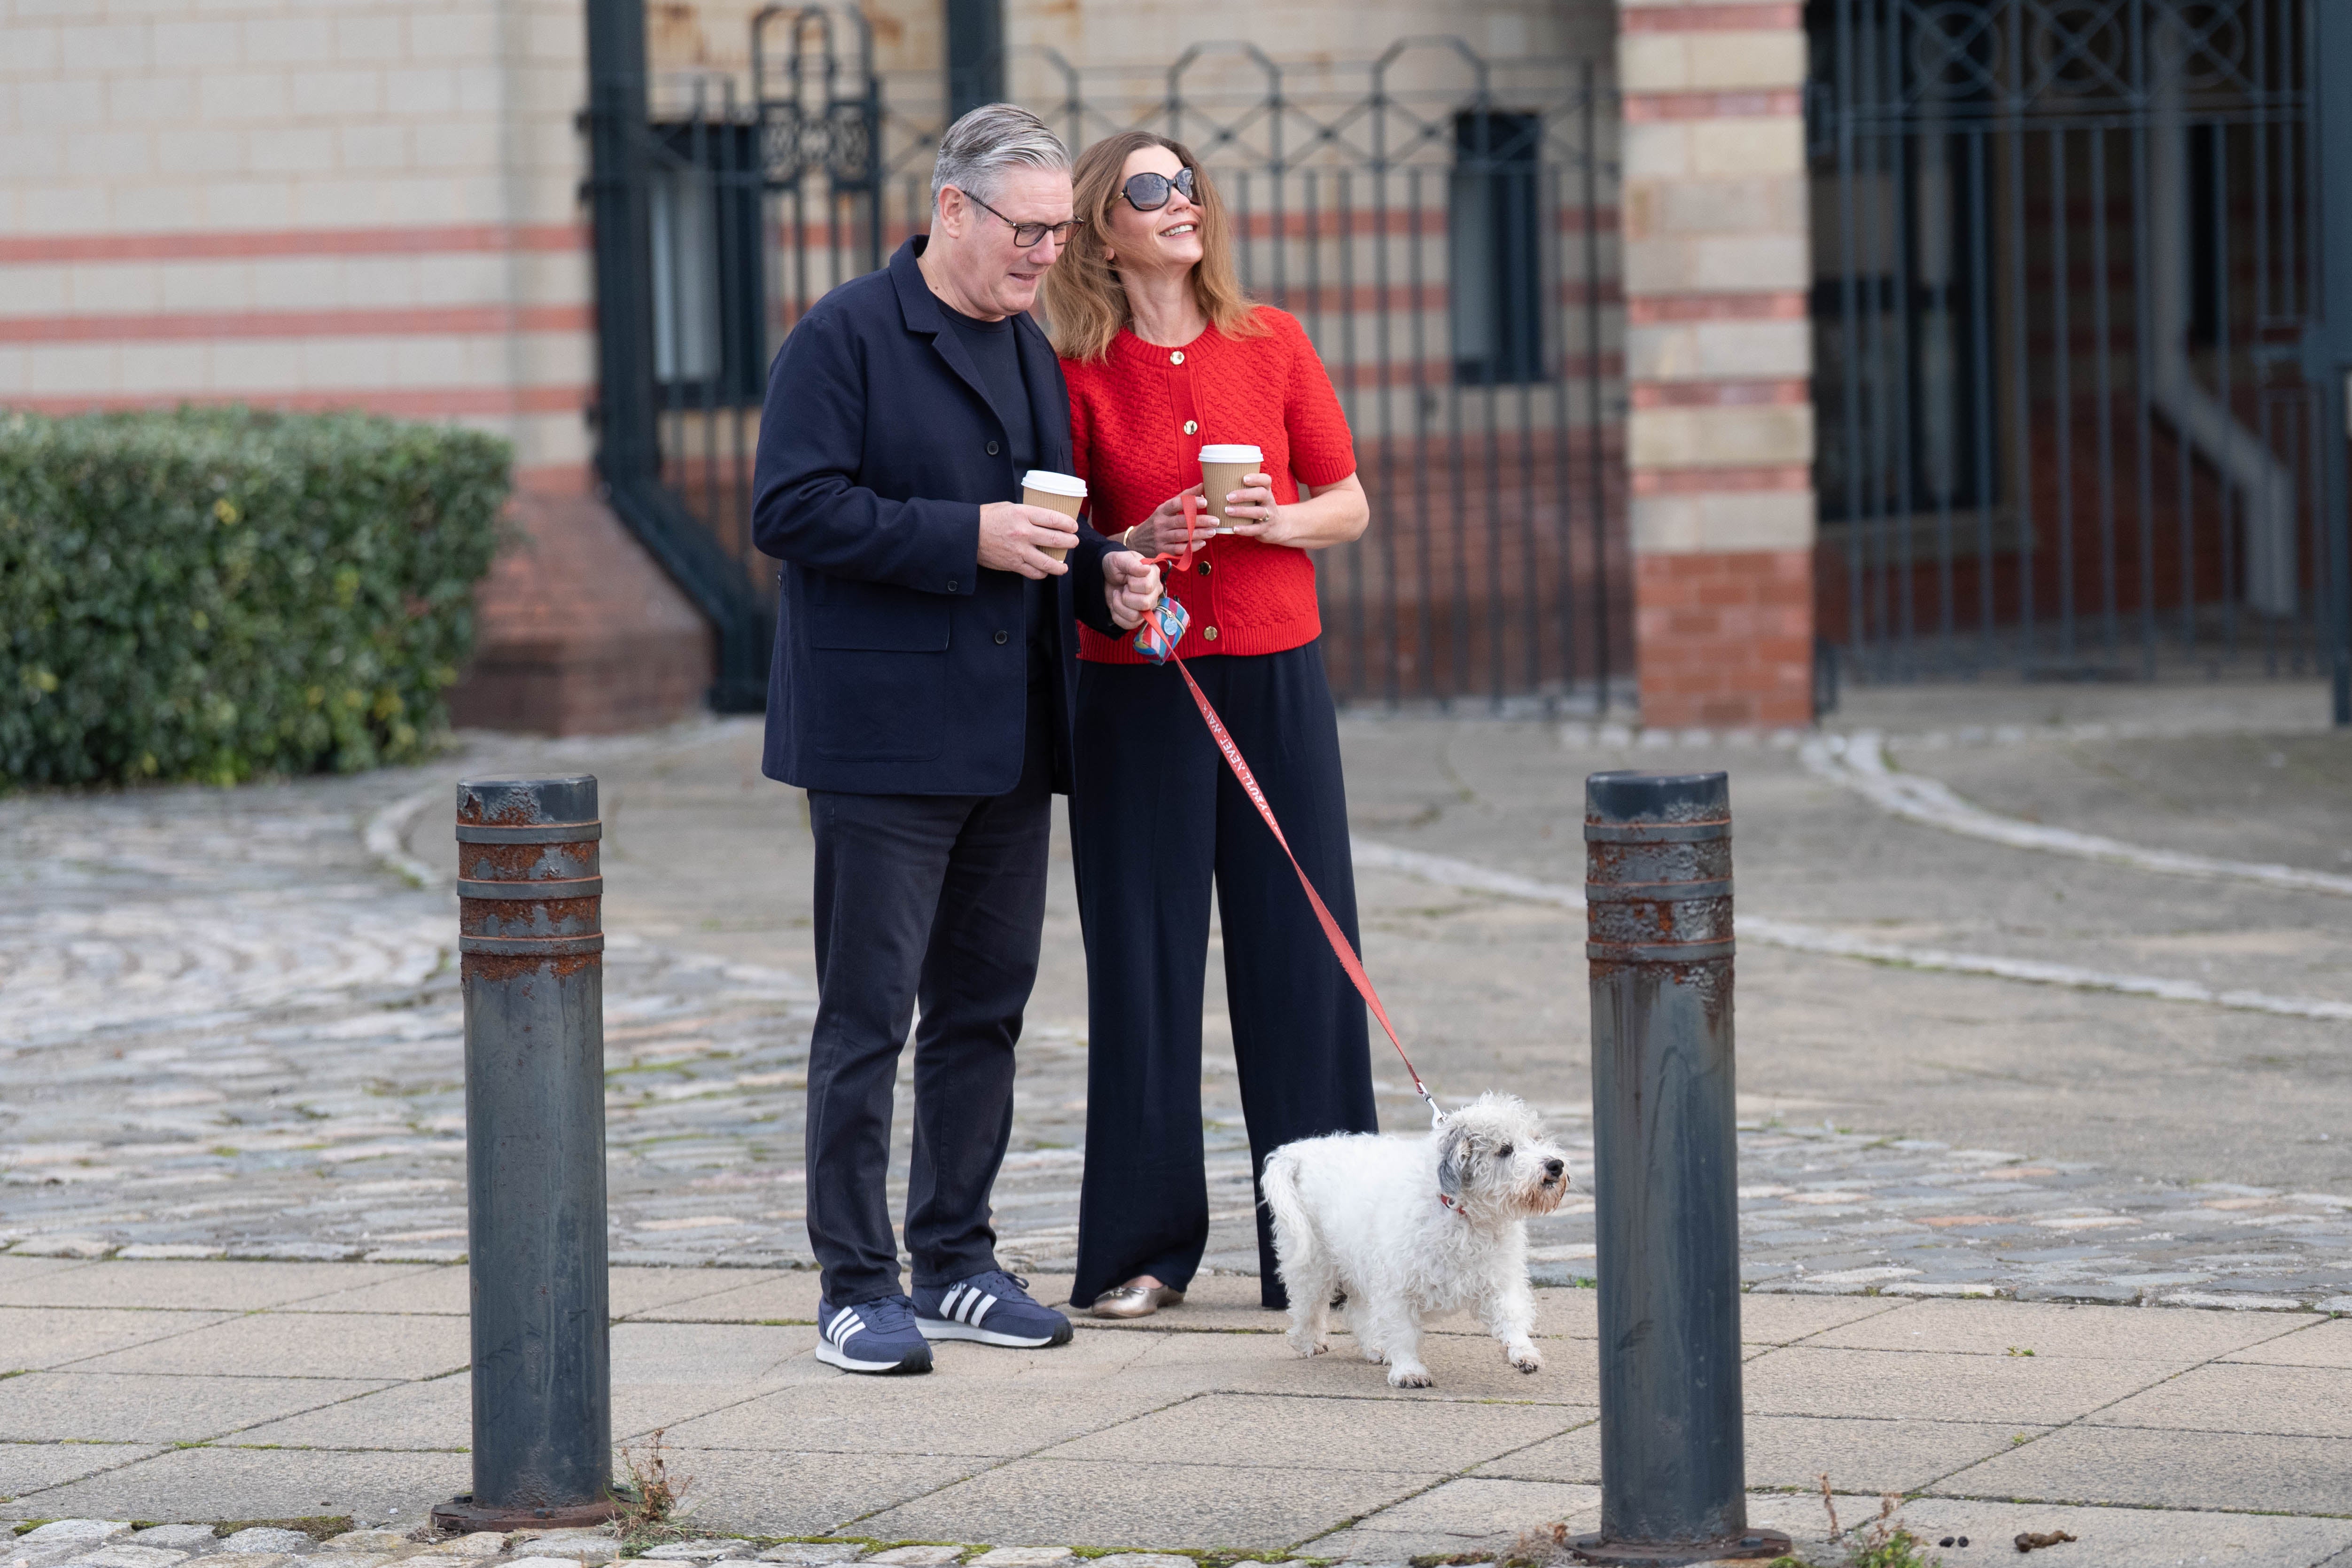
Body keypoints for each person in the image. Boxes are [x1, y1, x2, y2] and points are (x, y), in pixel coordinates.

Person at [751, 104, 1165, 1374]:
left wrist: (1103, 570)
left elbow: (1039, 525)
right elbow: (791, 508)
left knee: (984, 1011)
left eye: (1059, 232)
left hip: (1009, 734)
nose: (1049, 253)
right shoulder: (844, 336)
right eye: (1030, 230)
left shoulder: (1030, 345)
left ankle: (955, 1261)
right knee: (867, 1015)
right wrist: (964, 537)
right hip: (878, 740)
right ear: (954, 212)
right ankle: (851, 1283)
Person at [1039, 131, 1378, 1319]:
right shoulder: (1073, 368)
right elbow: (1069, 547)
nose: (1180, 201)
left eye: (1187, 184)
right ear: (1100, 227)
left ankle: (1328, 1249)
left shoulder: (1273, 340)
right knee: (1142, 962)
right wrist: (1133, 550)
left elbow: (1348, 502)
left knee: (1301, 961)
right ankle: (1143, 1249)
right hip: (1139, 689)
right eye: (1148, 188)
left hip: (1278, 681)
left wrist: (1266, 525)